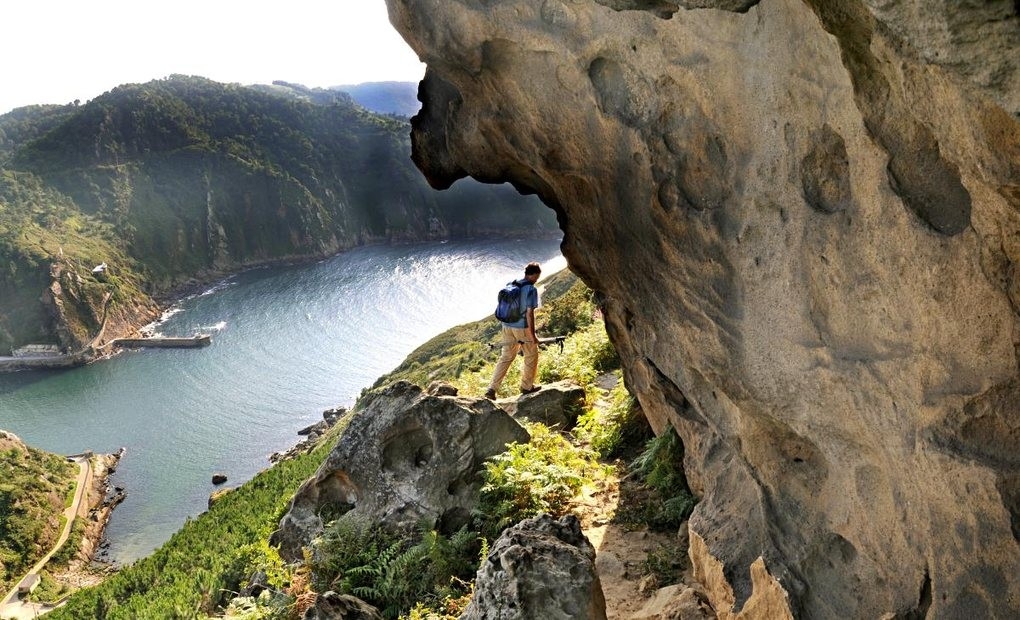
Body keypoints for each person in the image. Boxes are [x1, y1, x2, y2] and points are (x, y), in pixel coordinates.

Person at [485, 262, 542, 399]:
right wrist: (533, 335)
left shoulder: (513, 283)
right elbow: (529, 314)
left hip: (506, 326)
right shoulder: (531, 289)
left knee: (506, 357)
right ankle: (527, 387)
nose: (537, 279)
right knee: (531, 355)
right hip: (522, 328)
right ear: (534, 274)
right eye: (537, 276)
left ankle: (491, 389)